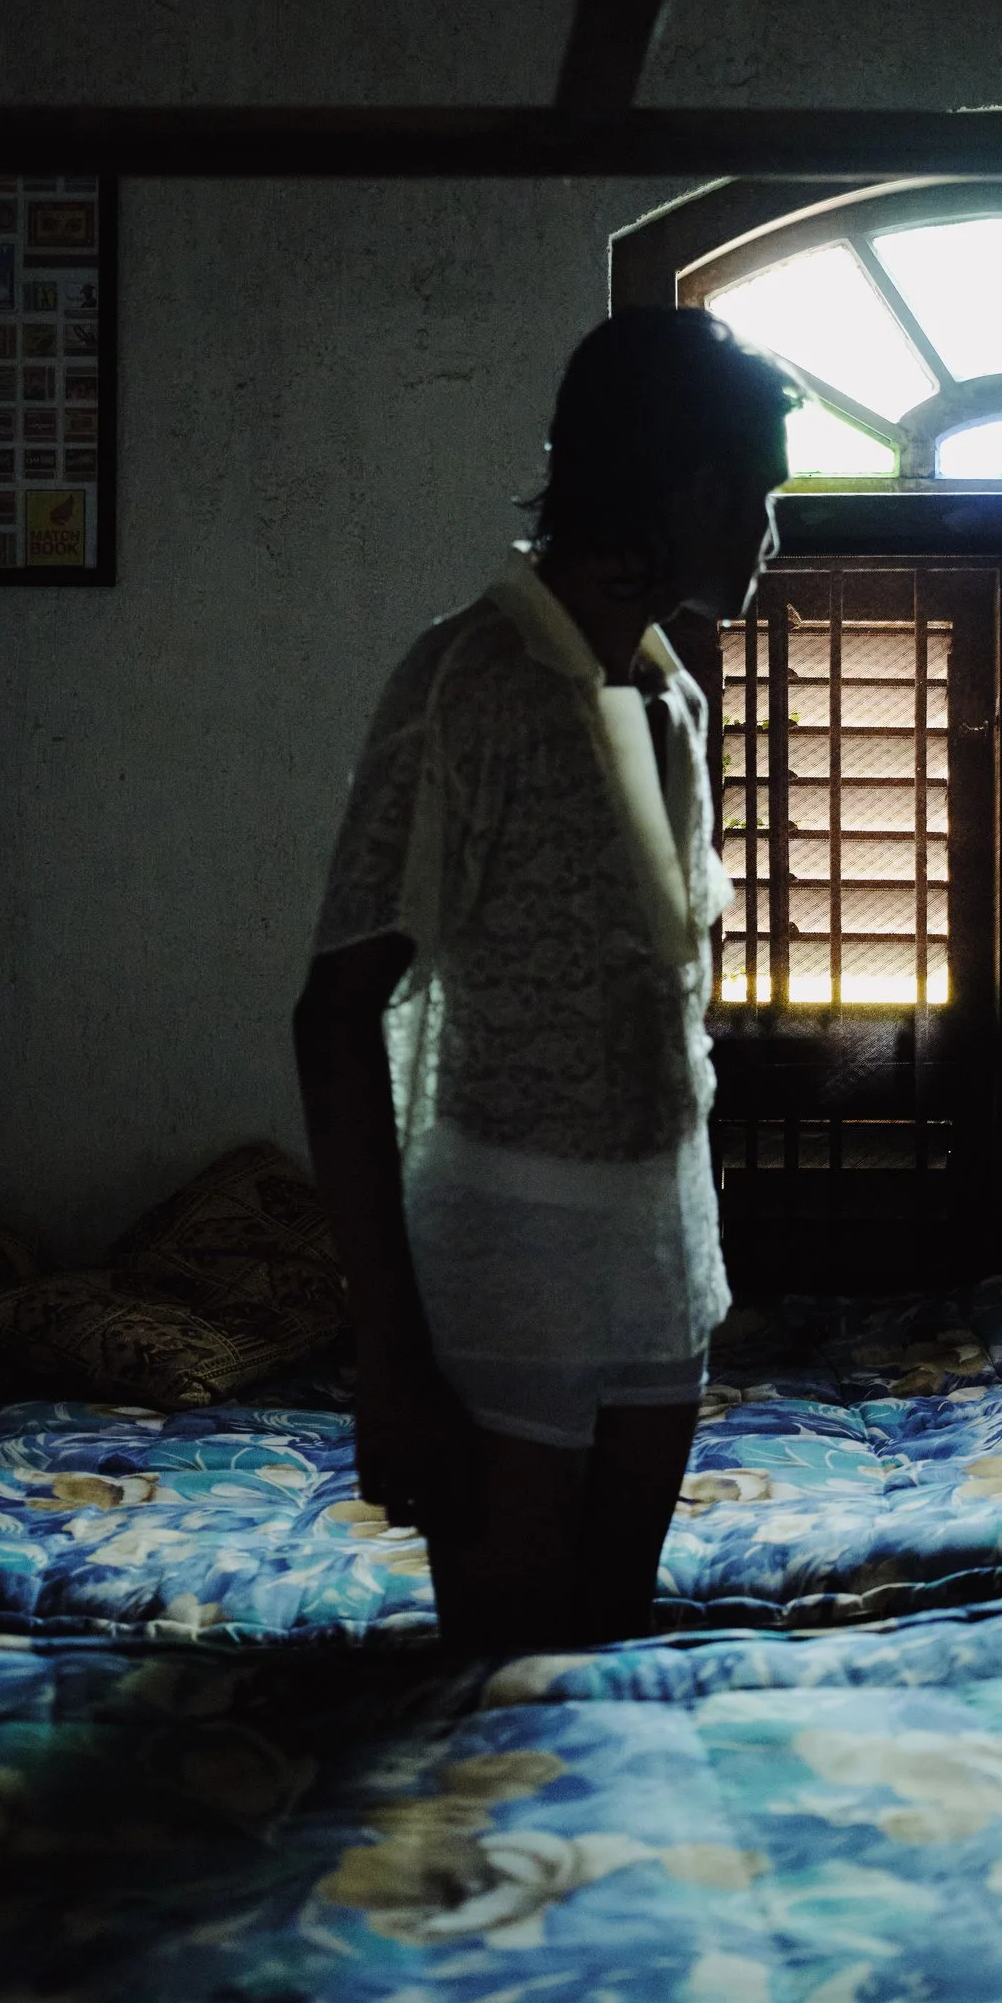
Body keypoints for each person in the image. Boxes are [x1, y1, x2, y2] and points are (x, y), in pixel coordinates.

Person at [293, 309, 794, 1656]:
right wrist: (389, 1354)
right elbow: (335, 1017)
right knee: (510, 1683)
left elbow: (654, 997)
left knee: (603, 1667)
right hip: (508, 1258)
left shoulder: (667, 696)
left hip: (659, 1249)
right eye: (752, 499)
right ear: (680, 493)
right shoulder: (470, 685)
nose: (768, 536)